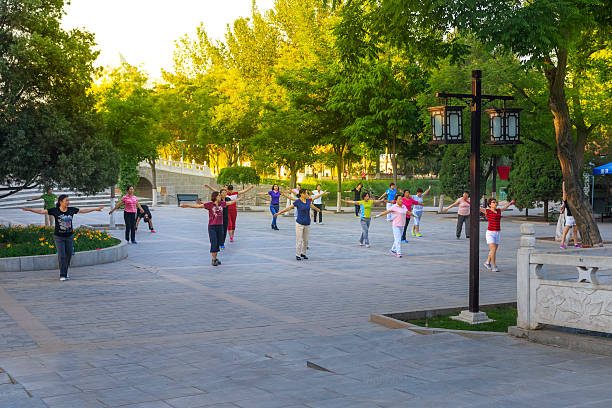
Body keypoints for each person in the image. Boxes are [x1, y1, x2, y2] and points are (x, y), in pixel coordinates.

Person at [21, 196, 104, 281]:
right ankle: (62, 274)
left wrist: (95, 209)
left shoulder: (71, 210)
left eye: (68, 200)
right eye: (66, 200)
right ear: (61, 202)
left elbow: (83, 211)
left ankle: (65, 270)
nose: (68, 202)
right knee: (62, 256)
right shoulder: (55, 210)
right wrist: (29, 210)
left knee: (68, 255)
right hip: (58, 237)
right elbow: (42, 211)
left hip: (69, 236)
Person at [181, 191, 239, 266]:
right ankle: (214, 259)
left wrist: (237, 200)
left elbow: (230, 203)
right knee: (214, 242)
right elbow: (198, 206)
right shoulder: (210, 204)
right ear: (215, 197)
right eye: (219, 195)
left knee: (218, 243)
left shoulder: (222, 203)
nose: (220, 196)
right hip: (212, 227)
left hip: (220, 226)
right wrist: (187, 205)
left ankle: (215, 258)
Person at [273, 188, 327, 261]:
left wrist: (318, 210)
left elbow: (312, 206)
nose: (307, 195)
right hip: (299, 223)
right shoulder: (298, 201)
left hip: (307, 223)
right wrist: (279, 213)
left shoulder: (308, 201)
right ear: (302, 194)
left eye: (307, 193)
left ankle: (303, 253)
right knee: (299, 240)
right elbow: (289, 208)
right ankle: (297, 254)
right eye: (306, 193)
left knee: (306, 240)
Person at [480, 198, 515, 272]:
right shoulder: (487, 211)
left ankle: (487, 262)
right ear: (489, 204)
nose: (495, 203)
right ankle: (494, 266)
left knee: (494, 250)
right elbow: (476, 207)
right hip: (490, 233)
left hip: (498, 232)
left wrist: (510, 203)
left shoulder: (498, 210)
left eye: (496, 202)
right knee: (493, 249)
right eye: (493, 202)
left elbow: (504, 208)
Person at [560, 182, 581, 249]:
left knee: (575, 231)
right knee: (565, 231)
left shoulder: (574, 200)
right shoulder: (566, 200)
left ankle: (576, 244)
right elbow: (564, 192)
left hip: (576, 217)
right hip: (569, 217)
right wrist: (564, 184)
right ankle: (562, 244)